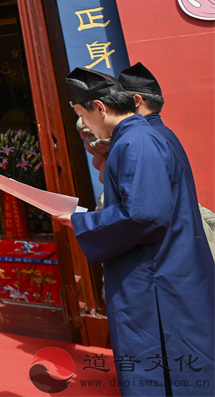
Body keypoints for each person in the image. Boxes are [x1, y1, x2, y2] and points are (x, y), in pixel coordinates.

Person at [56, 67, 214, 396]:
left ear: (99, 107)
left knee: (156, 367)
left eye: (82, 114)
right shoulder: (143, 135)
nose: (84, 125)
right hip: (167, 266)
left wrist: (80, 222)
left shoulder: (135, 140)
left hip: (154, 274)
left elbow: (145, 214)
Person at [118, 61, 215, 261]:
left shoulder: (144, 138)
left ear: (136, 100)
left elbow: (146, 211)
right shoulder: (161, 133)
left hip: (169, 253)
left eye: (118, 101)